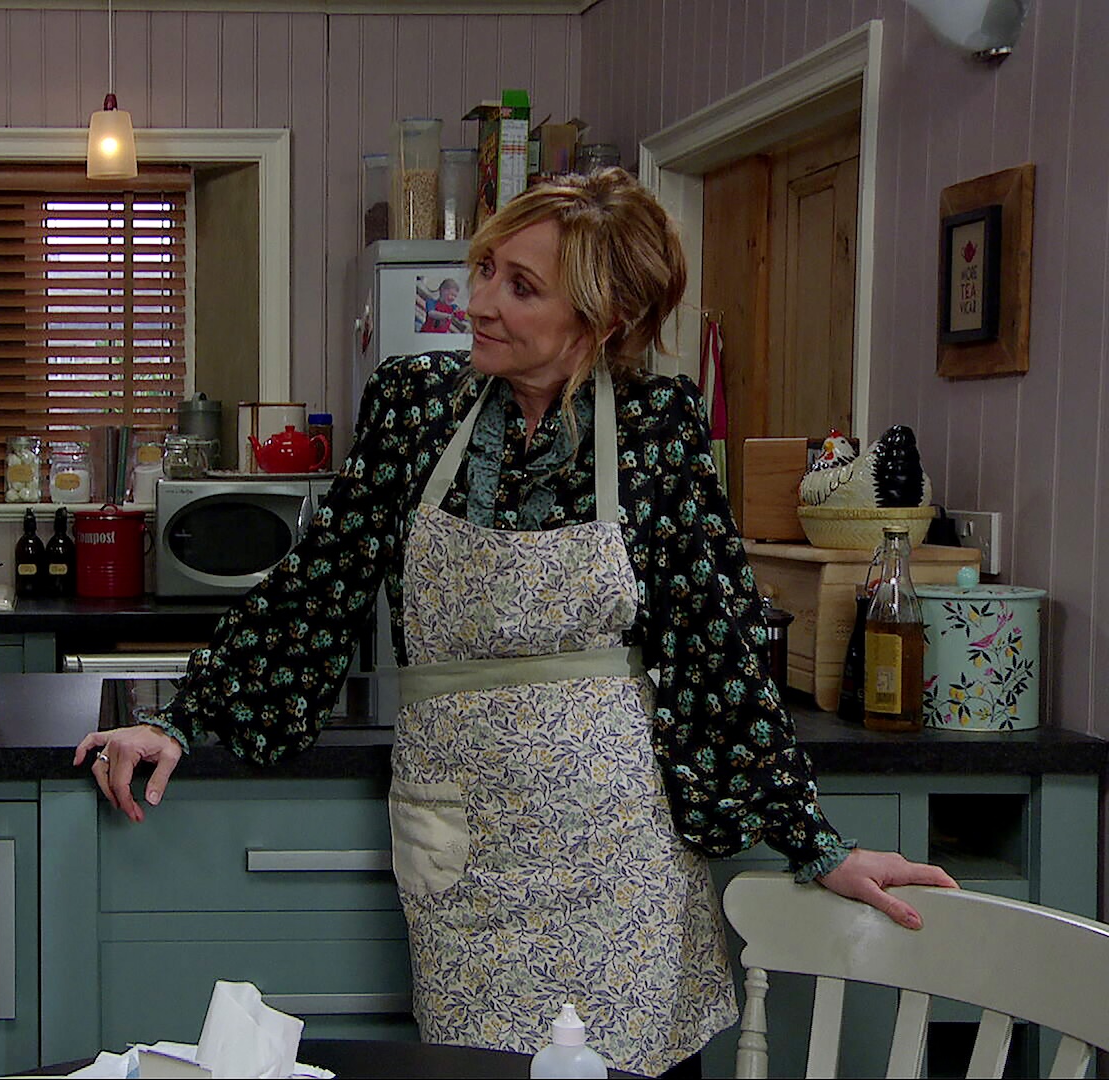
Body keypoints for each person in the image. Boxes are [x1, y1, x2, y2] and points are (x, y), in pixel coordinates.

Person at [76, 167, 955, 1077]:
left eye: (522, 286)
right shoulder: (416, 404)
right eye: (486, 268)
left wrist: (816, 844)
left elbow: (713, 645)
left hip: (620, 846)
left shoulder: (657, 424)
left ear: (603, 318)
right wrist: (182, 718)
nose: (482, 302)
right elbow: (321, 583)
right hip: (462, 840)